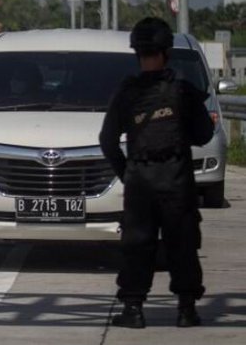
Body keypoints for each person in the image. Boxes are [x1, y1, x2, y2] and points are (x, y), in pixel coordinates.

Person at [99, 17, 214, 329]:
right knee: (184, 243)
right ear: (167, 52)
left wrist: (129, 173)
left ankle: (133, 310)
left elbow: (107, 141)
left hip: (140, 180)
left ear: (137, 52)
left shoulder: (127, 93)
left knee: (137, 244)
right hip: (177, 178)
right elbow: (204, 135)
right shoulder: (184, 91)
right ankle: (187, 310)